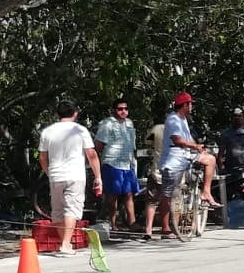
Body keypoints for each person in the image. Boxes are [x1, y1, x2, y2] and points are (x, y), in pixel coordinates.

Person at [150, 91, 221, 240]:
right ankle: (165, 228)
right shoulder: (173, 120)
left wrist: (198, 148)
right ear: (184, 105)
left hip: (186, 157)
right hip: (174, 161)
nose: (191, 107)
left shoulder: (184, 120)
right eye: (190, 104)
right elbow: (177, 140)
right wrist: (195, 146)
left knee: (210, 160)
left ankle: (206, 192)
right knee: (167, 195)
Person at [38, 100, 102, 256]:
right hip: (75, 175)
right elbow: (92, 155)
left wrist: (49, 172)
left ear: (57, 114)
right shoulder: (80, 130)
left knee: (58, 211)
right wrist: (98, 177)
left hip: (56, 175)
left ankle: (65, 243)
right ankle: (66, 244)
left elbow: (42, 157)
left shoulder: (48, 132)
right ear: (75, 114)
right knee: (72, 209)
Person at [94, 98, 139, 231]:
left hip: (127, 162)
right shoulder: (107, 124)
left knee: (129, 193)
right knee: (112, 195)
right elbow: (99, 145)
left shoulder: (129, 123)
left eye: (125, 109)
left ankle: (132, 222)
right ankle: (112, 223)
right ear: (114, 110)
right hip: (112, 163)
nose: (123, 111)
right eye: (120, 109)